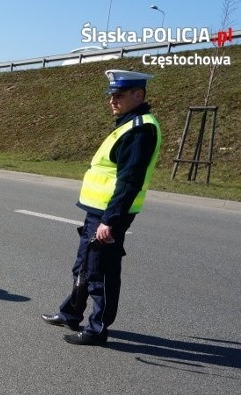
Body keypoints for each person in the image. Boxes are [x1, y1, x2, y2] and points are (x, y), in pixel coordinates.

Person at [42, 69, 162, 346]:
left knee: (101, 273)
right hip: (98, 211)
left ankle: (97, 330)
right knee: (84, 265)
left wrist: (111, 220)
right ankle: (70, 313)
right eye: (111, 95)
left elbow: (129, 181)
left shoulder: (141, 129)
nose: (112, 101)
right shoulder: (128, 123)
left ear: (138, 94)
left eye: (118, 95)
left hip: (110, 213)